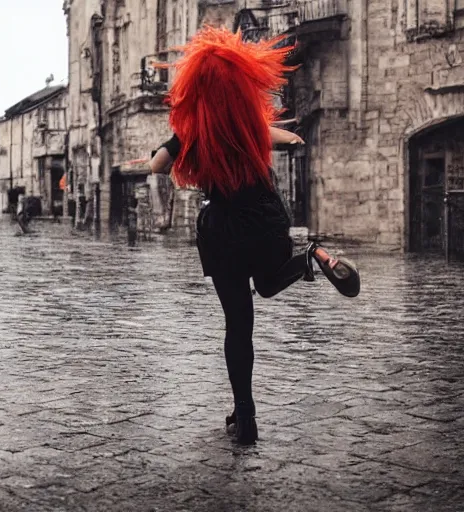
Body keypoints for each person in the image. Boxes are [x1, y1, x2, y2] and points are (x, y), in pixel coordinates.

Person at [139, 27, 361, 445]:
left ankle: (246, 417)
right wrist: (285, 136)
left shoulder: (193, 132)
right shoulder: (248, 124)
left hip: (223, 230)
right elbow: (278, 136)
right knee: (270, 281)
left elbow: (157, 167)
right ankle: (311, 257)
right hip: (264, 218)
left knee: (238, 325)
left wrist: (170, 148)